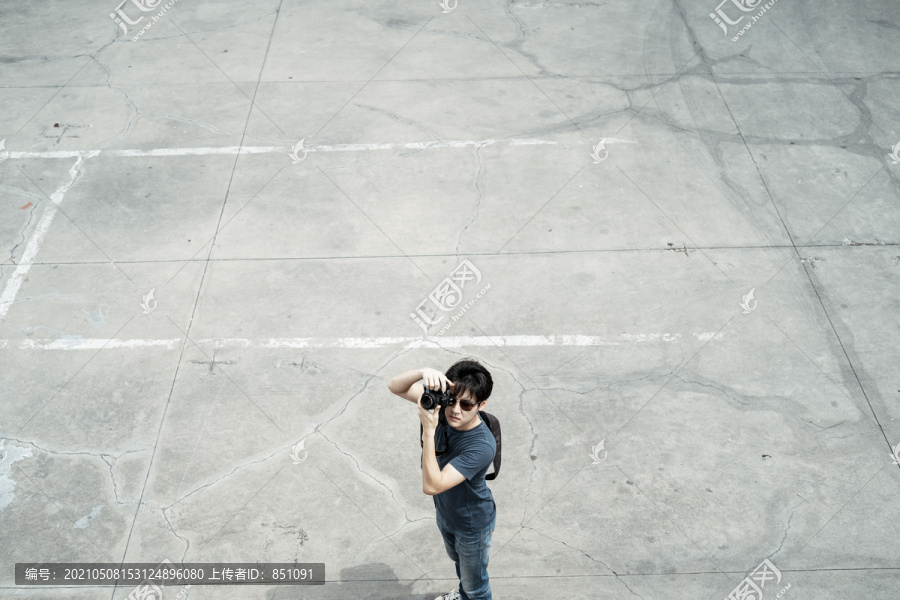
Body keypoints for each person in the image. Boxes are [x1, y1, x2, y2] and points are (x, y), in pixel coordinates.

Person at [387, 360, 497, 600]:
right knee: (461, 565)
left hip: (471, 523)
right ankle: (462, 594)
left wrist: (429, 430)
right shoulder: (443, 407)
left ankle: (468, 594)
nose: (455, 410)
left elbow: (431, 485)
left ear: (482, 404)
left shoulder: (482, 446)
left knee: (476, 586)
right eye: (451, 400)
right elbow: (394, 386)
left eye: (467, 404)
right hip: (446, 511)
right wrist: (421, 371)